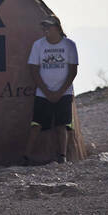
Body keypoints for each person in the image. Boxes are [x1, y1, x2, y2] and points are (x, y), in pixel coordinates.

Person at [24, 15, 79, 164]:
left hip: (64, 92)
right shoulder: (38, 45)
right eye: (44, 27)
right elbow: (33, 69)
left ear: (57, 28)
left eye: (48, 27)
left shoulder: (69, 45)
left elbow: (72, 71)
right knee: (36, 125)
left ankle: (62, 157)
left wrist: (60, 91)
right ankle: (27, 157)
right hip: (43, 93)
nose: (45, 30)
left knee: (62, 125)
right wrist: (46, 91)